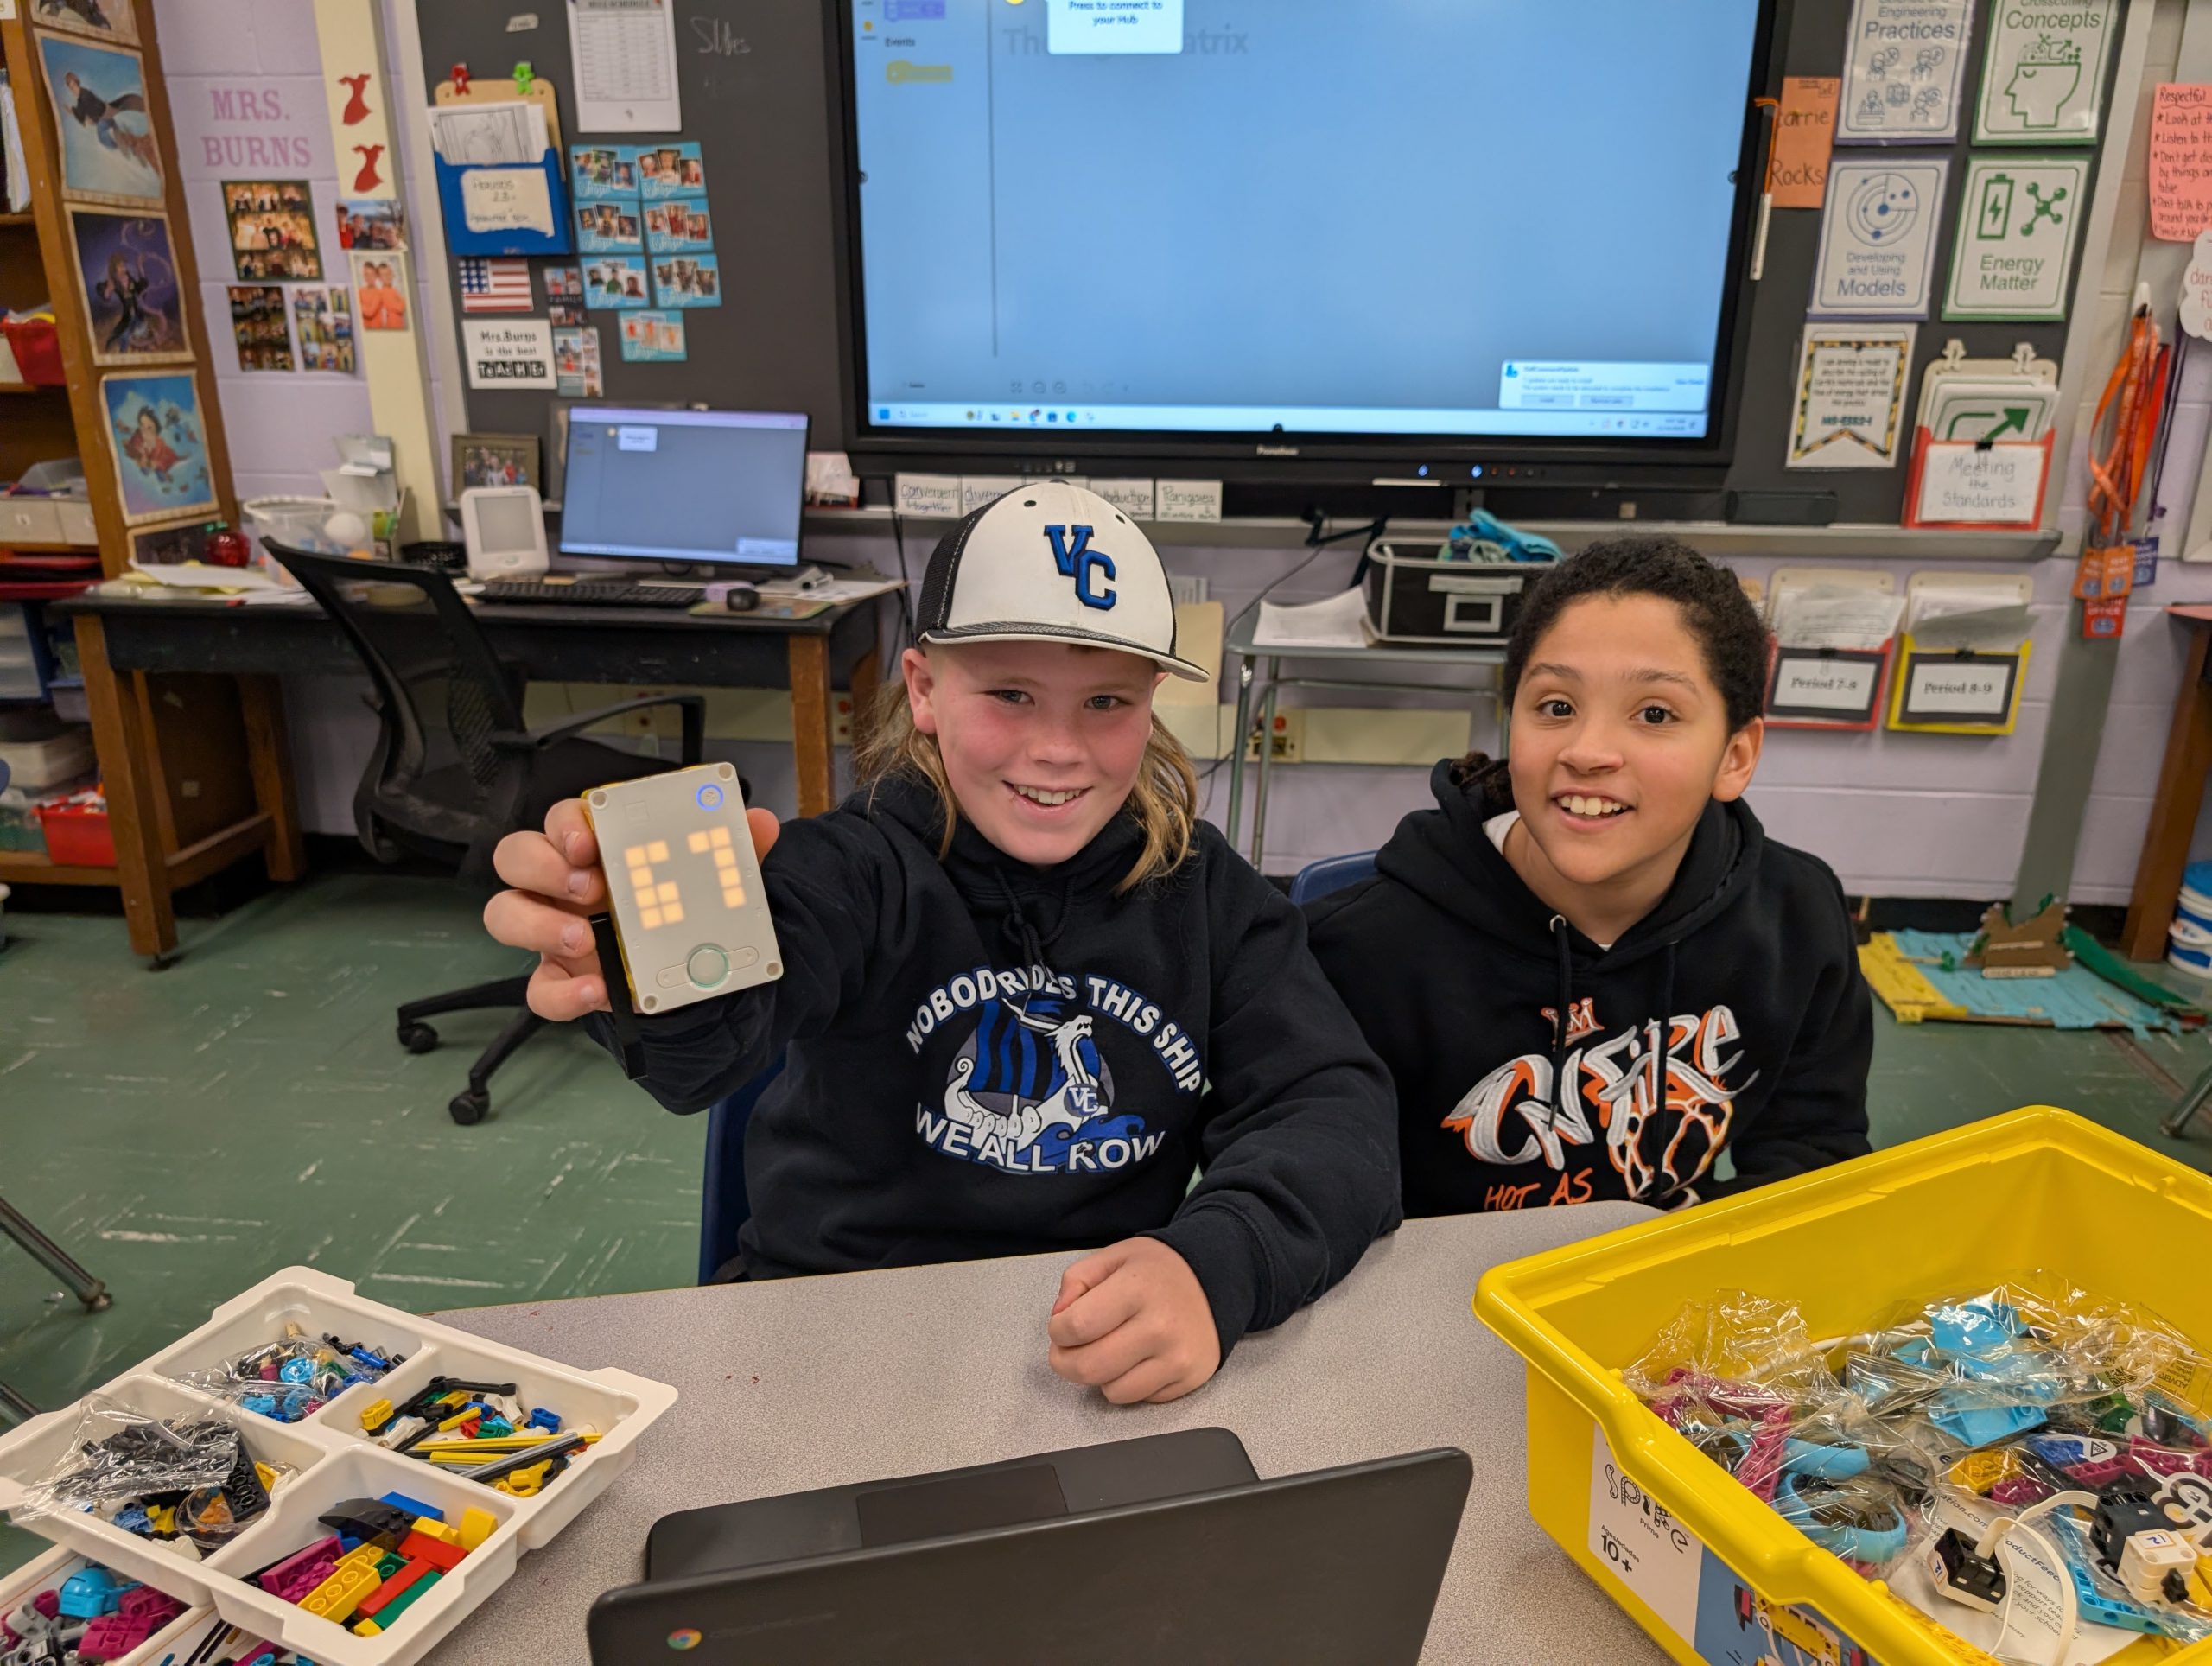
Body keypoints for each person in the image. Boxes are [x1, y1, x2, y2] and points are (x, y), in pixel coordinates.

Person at [483, 484, 1401, 1405]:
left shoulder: (1205, 891)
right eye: (1011, 692)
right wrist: (633, 958)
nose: (1058, 748)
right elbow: (706, 1050)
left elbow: (1331, 1106)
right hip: (829, 1333)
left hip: (1091, 1348)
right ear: (923, 688)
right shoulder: (855, 864)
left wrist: (1219, 1261)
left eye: (1105, 702)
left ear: (1152, 701)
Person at [1306, 535, 1872, 1218]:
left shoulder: (1798, 917)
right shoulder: (1362, 951)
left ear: (1735, 755)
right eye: (1556, 707)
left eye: (1655, 714)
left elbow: (1812, 1160)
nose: (1588, 752)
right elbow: (1315, 1196)